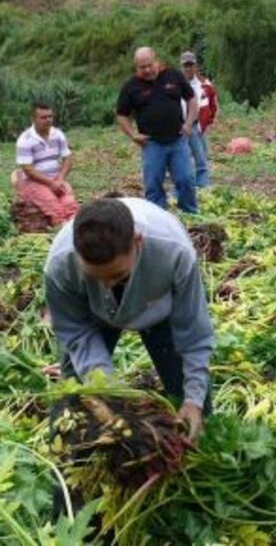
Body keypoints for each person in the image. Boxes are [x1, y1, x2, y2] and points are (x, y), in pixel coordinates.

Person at [44, 197, 214, 437]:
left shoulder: (174, 250)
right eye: (95, 277)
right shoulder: (60, 264)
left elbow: (194, 331)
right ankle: (73, 462)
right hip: (92, 317)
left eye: (117, 275)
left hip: (160, 312)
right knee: (73, 412)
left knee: (195, 414)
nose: (106, 284)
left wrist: (194, 401)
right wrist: (102, 382)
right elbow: (75, 331)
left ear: (138, 242)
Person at [116, 47, 198, 213]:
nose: (146, 70)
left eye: (149, 65)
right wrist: (133, 135)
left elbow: (191, 98)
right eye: (142, 67)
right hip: (152, 144)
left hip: (177, 140)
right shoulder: (131, 86)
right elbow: (121, 115)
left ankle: (190, 213)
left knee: (186, 179)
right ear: (136, 67)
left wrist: (189, 123)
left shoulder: (172, 75)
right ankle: (158, 216)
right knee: (153, 184)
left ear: (156, 61)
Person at [13, 102, 79, 228]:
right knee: (56, 211)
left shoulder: (58, 134)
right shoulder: (25, 140)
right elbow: (28, 170)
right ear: (34, 119)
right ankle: (61, 240)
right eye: (43, 117)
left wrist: (60, 179)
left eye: (50, 116)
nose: (48, 120)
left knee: (71, 207)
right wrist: (50, 183)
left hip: (56, 178)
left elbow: (68, 158)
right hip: (33, 182)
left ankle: (76, 236)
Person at [180, 51, 216, 188]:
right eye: (185, 65)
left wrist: (206, 122)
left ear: (196, 66)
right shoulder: (175, 83)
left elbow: (213, 105)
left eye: (191, 65)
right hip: (180, 126)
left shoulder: (205, 84)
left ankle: (203, 186)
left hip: (196, 126)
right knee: (181, 158)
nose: (188, 68)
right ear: (181, 67)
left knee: (200, 158)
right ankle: (184, 185)